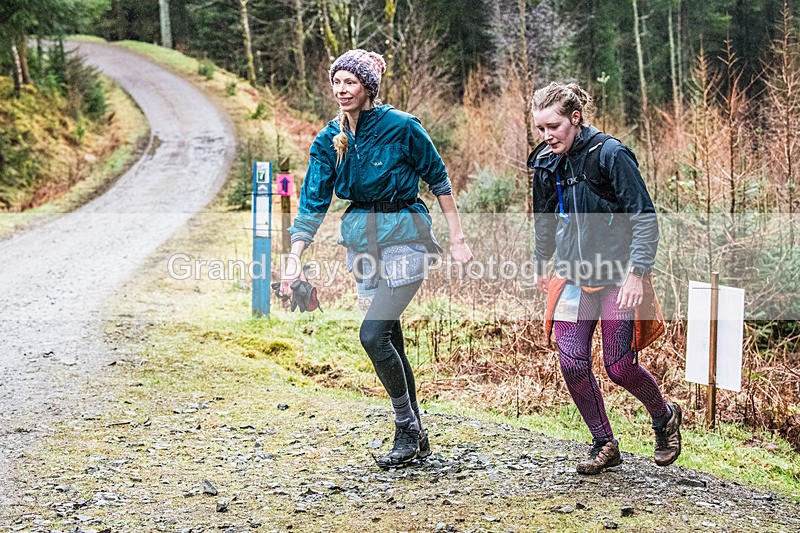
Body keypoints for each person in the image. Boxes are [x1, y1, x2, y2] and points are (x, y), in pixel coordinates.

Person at [280, 49, 473, 468]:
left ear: (368, 87)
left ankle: (406, 427)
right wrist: (295, 255)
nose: (341, 89)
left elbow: (439, 178)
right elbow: (314, 198)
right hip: (363, 242)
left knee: (372, 335)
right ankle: (416, 437)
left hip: (405, 234)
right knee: (390, 338)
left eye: (350, 82)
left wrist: (457, 238)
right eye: (337, 82)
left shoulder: (403, 127)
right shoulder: (328, 138)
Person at [529, 81, 682, 475]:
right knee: (572, 361)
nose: (546, 137)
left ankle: (664, 417)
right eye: (540, 129)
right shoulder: (546, 163)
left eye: (553, 127)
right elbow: (543, 221)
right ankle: (604, 442)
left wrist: (637, 274)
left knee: (619, 366)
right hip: (572, 277)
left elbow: (644, 218)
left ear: (575, 118)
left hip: (618, 277)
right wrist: (540, 264)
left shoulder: (610, 154)